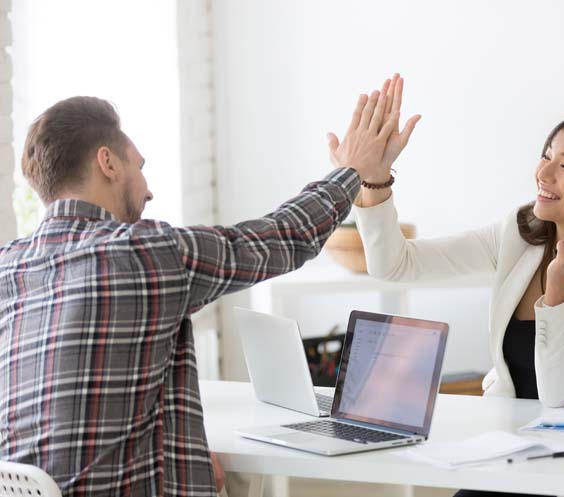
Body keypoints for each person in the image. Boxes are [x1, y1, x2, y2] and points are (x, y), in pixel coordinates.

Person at [0, 86, 400, 497]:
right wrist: (352, 171)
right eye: (139, 165)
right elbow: (285, 237)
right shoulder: (143, 252)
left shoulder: (7, 266)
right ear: (107, 162)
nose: (148, 189)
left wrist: (179, 450)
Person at [341, 75, 564, 497]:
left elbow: (560, 395)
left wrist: (558, 289)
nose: (543, 173)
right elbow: (395, 265)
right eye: (546, 157)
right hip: (506, 449)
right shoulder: (519, 234)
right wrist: (374, 182)